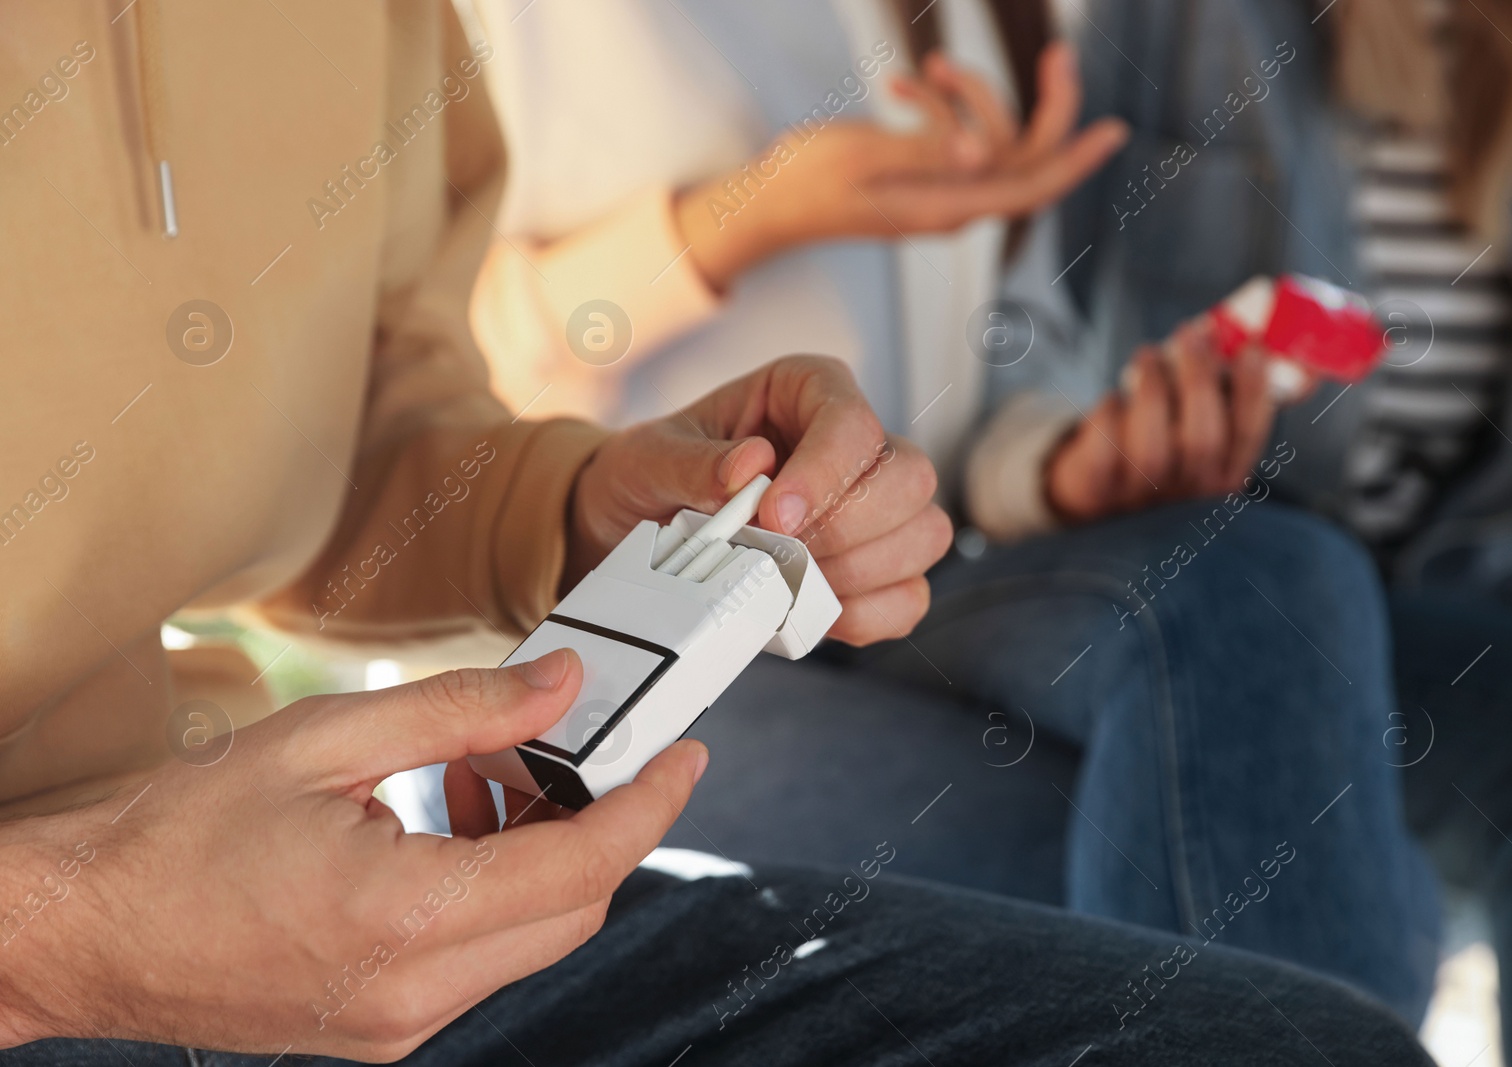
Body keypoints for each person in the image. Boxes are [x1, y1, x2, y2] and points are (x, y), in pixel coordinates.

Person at [0, 2, 1437, 1064]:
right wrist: (59, 935)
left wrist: (583, 499)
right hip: (75, 936)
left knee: (1297, 1026)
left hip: (754, 618)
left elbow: (374, 421)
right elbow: (525, 320)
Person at [471, 0, 1441, 1025]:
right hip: (632, 646)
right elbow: (437, 371)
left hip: (909, 585)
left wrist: (1072, 468)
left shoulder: (976, 20)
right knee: (1243, 854)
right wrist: (750, 216)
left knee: (1269, 579)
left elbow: (1010, 350)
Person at [1017, 0, 1512, 1062]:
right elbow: (1027, 313)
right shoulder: (1186, 23)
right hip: (1188, 552)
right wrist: (1087, 436)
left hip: (1445, 574)